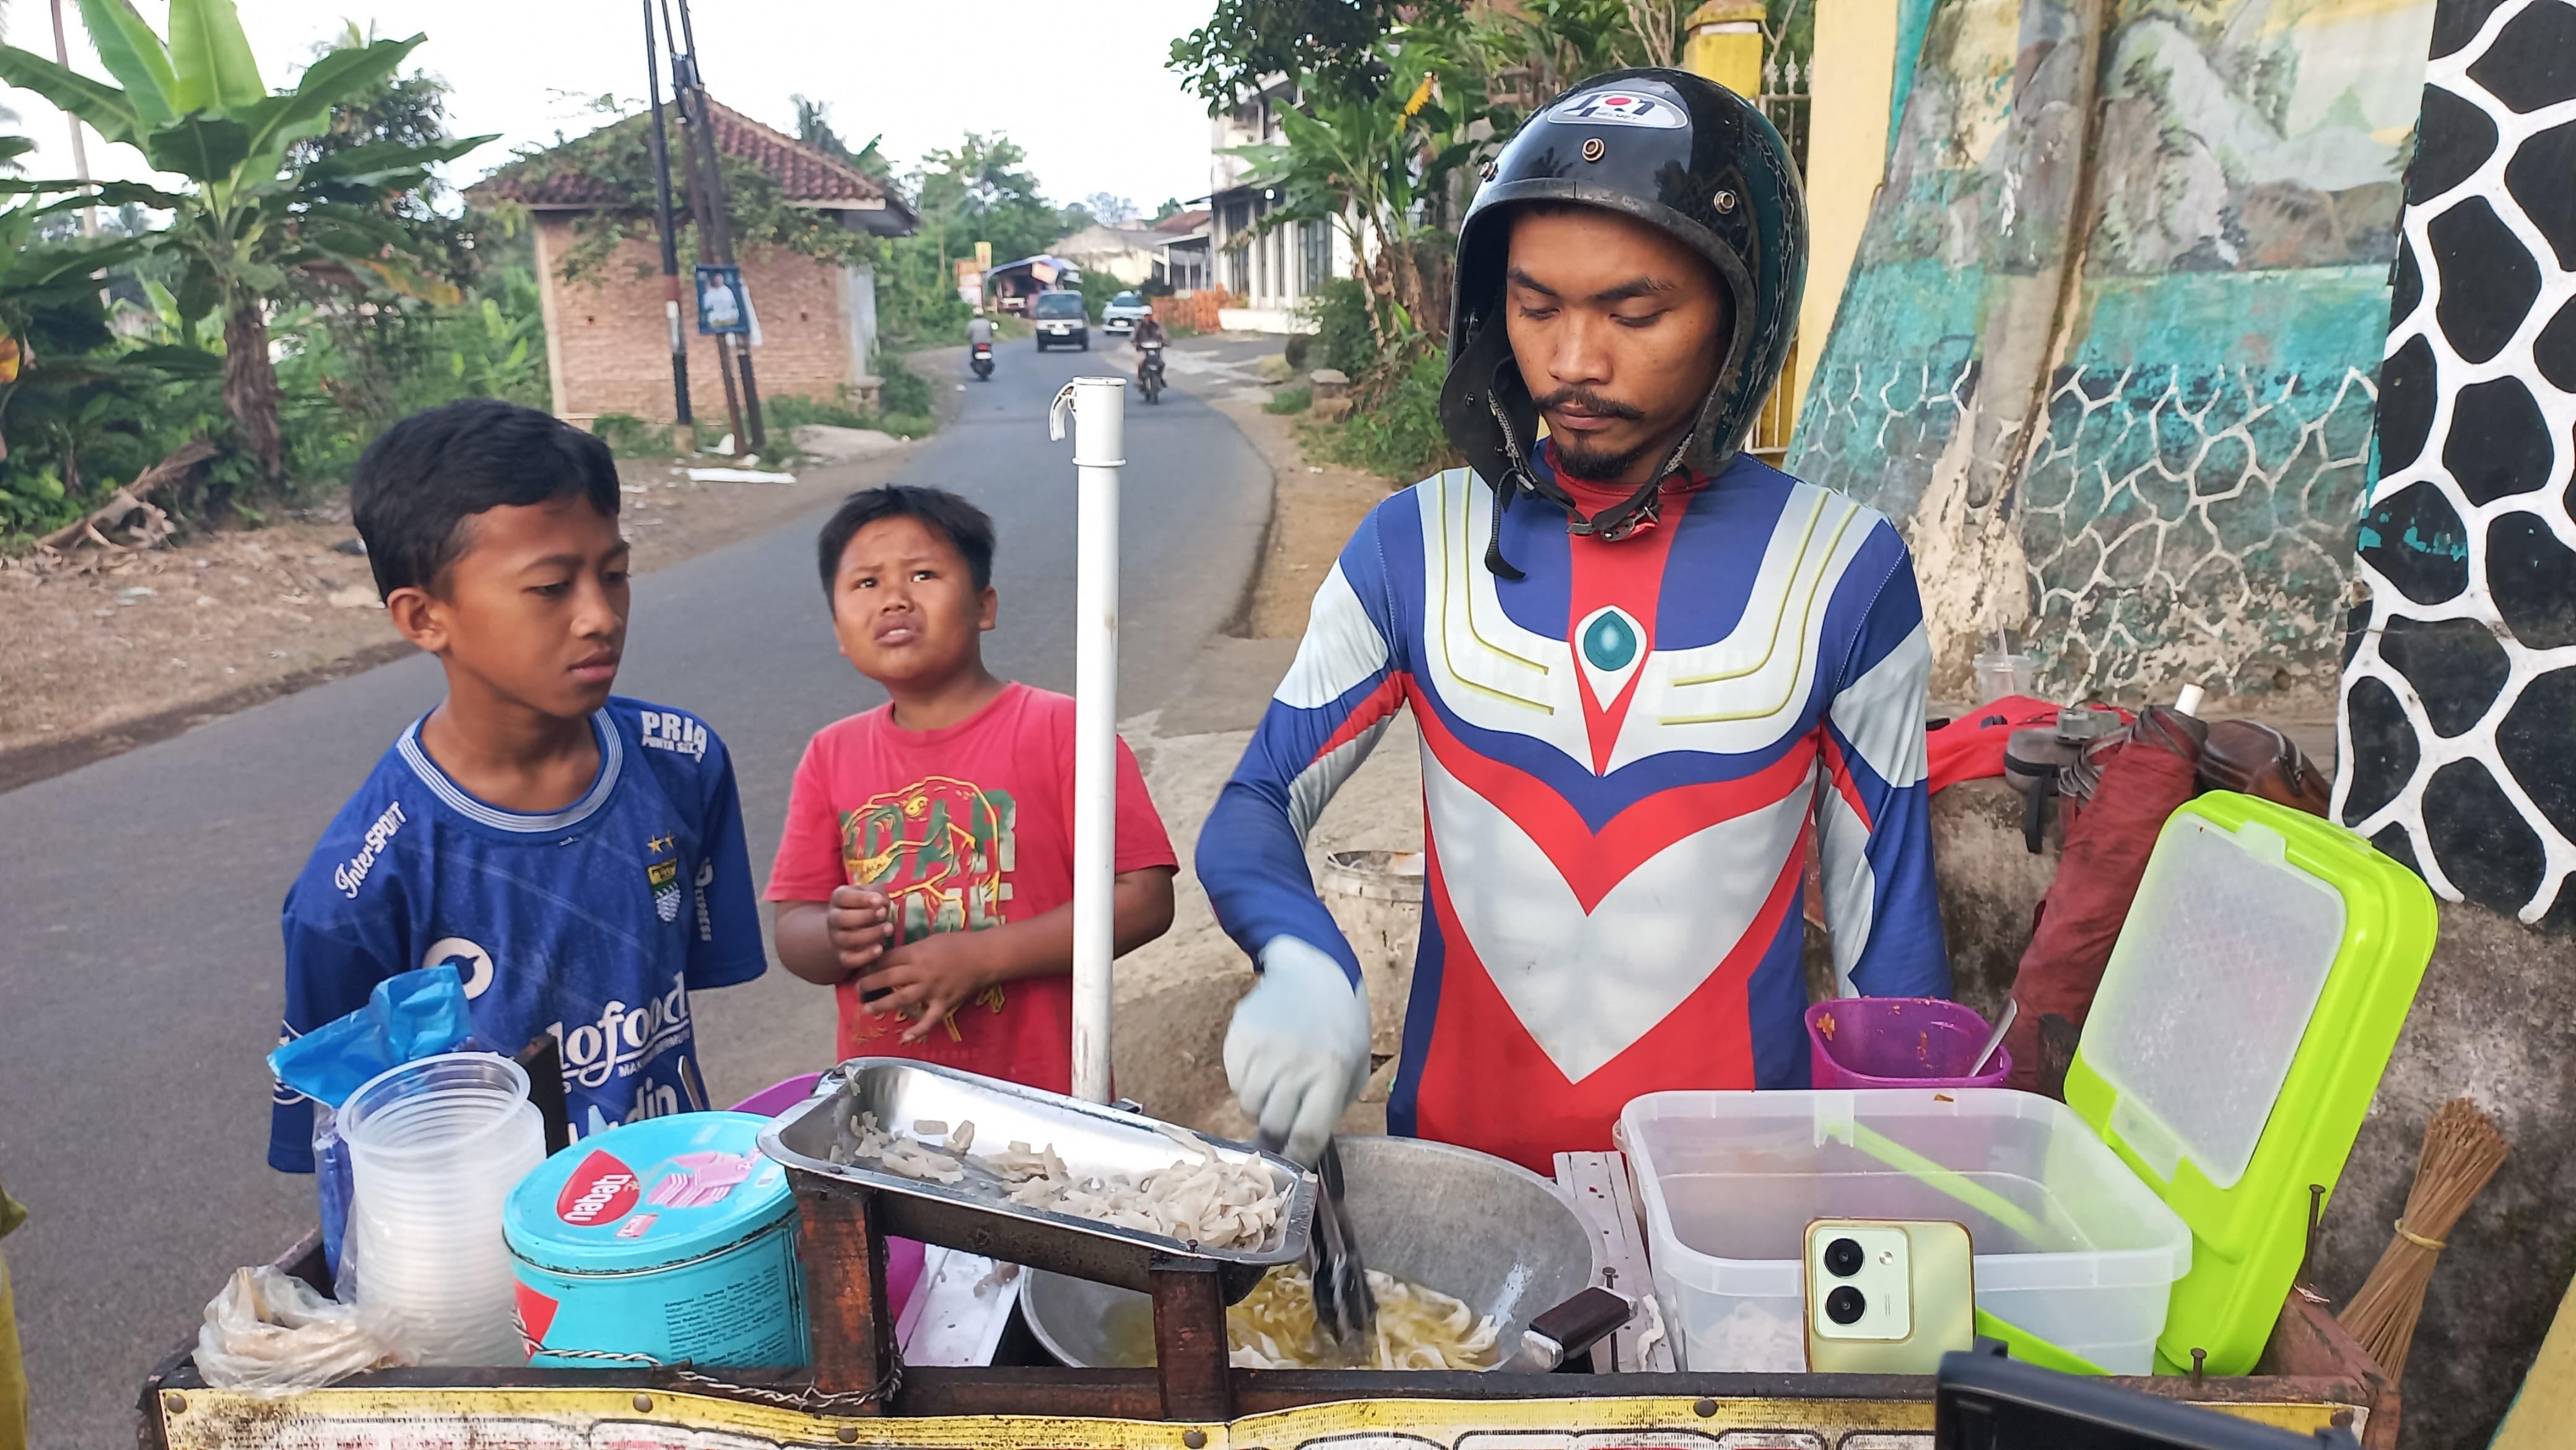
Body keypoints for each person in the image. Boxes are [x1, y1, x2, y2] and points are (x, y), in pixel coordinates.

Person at [1198, 69, 1948, 1171]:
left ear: (1743, 318)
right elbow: (1259, 798)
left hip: (1729, 1209)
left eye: (1634, 312)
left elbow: (1893, 938)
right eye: (1536, 305)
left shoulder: (1843, 570)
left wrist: (1913, 1191)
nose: (1572, 359)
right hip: (1458, 1195)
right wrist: (1304, 952)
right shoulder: (1415, 545)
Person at [269, 400, 767, 1169]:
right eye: (549, 588)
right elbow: (345, 1162)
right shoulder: (358, 889)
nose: (600, 616)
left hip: (673, 1218)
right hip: (494, 1274)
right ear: (424, 616)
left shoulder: (682, 761)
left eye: (615, 574)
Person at [768, 487, 1178, 1090]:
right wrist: (832, 934)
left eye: (923, 573)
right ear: (838, 628)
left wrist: (984, 957)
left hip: (1046, 1102)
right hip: (886, 1106)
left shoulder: (1065, 730)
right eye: (865, 584)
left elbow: (1144, 898)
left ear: (984, 605)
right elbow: (793, 929)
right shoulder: (831, 754)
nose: (894, 599)